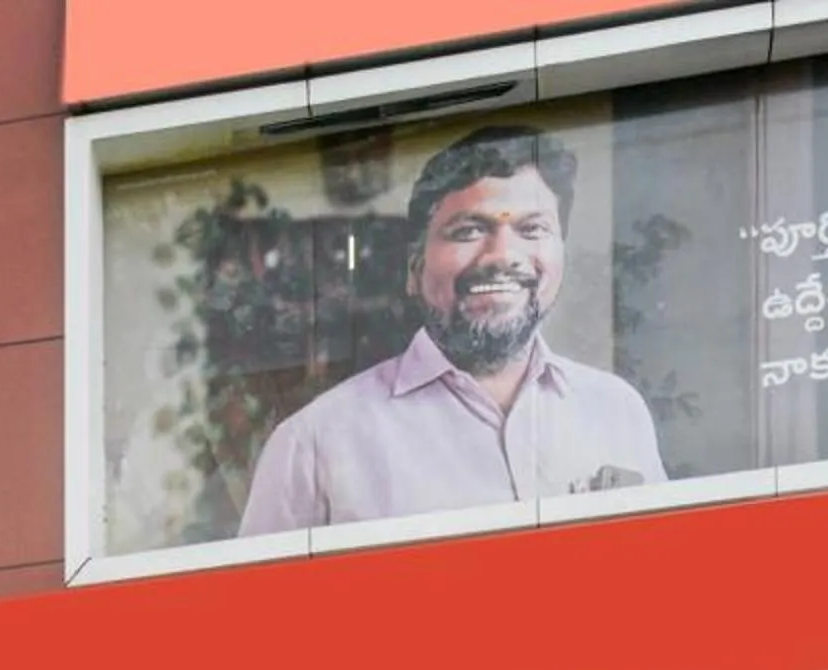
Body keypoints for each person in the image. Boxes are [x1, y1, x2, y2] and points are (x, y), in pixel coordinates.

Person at [238, 126, 668, 533]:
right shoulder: (313, 444)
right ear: (414, 268)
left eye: (531, 229)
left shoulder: (616, 411)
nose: (502, 255)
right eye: (469, 230)